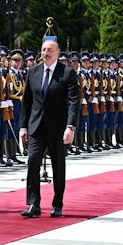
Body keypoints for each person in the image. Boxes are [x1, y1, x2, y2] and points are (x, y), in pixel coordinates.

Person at [20, 40, 79, 218]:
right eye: (43, 49)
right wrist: (23, 126)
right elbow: (27, 101)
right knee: (32, 163)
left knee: (58, 166)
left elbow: (73, 102)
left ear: (58, 53)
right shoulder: (33, 72)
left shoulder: (67, 73)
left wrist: (70, 127)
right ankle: (33, 203)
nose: (45, 53)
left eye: (49, 50)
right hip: (36, 127)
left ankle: (57, 203)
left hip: (58, 128)